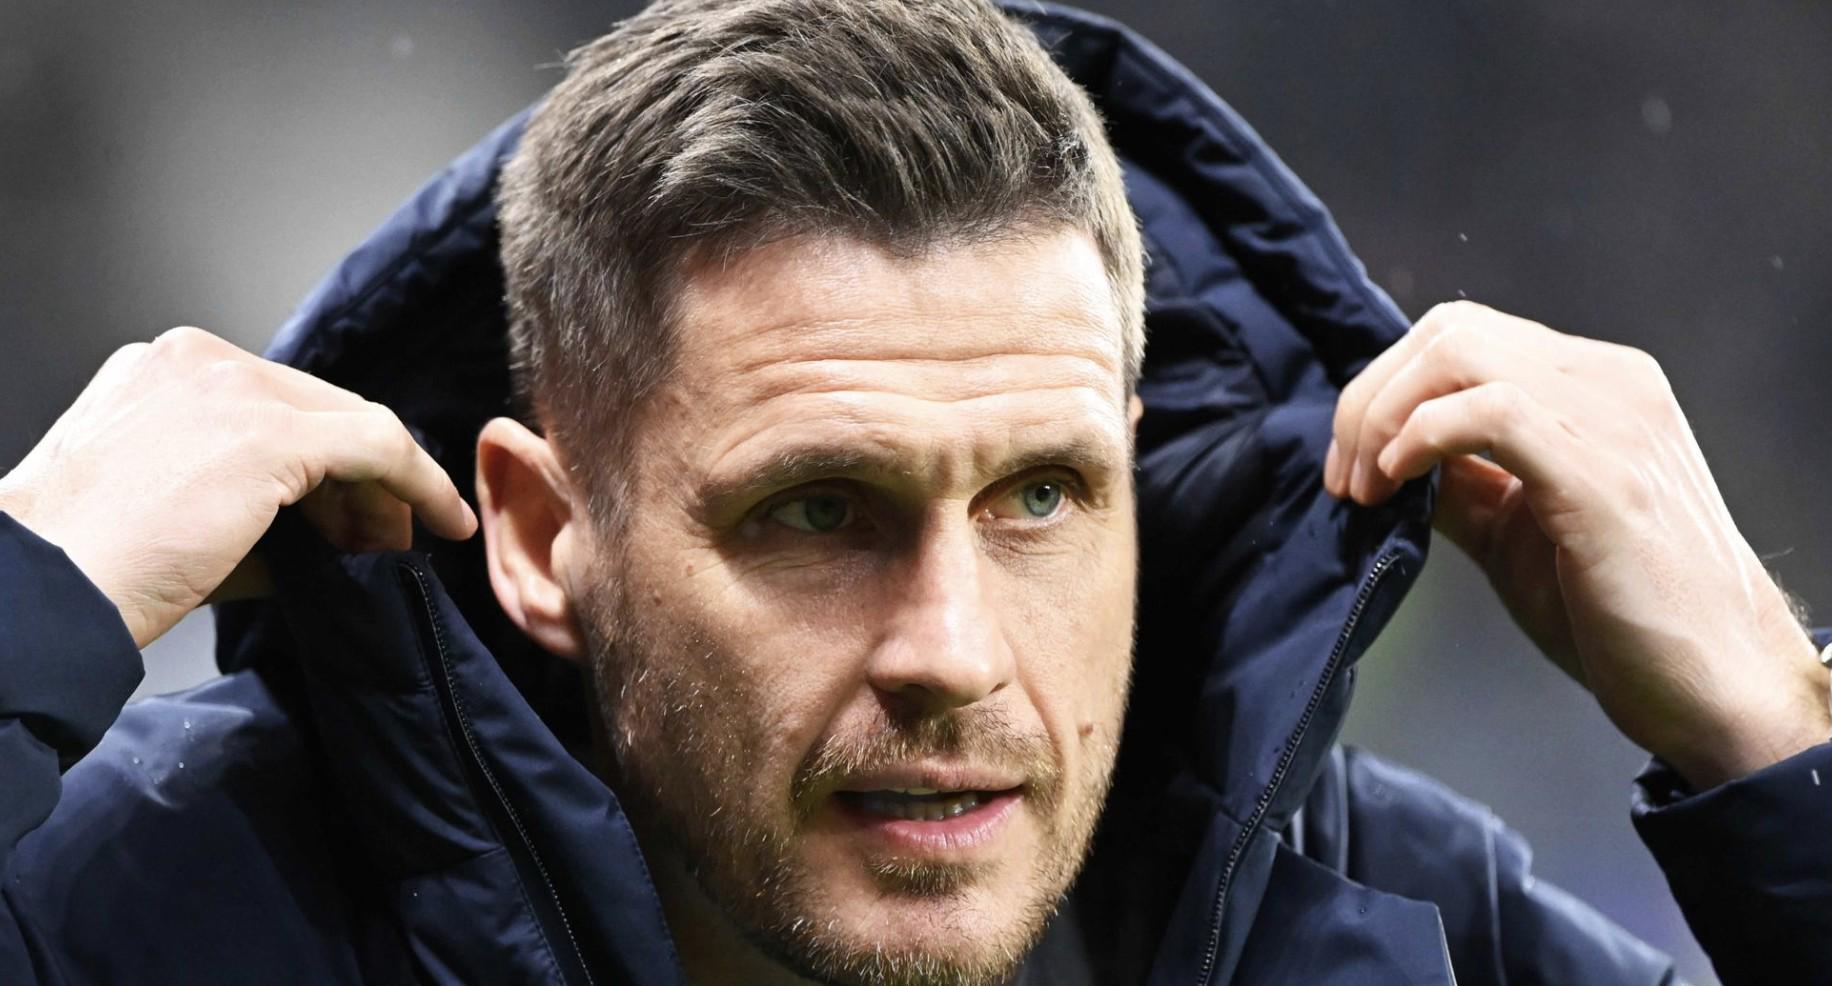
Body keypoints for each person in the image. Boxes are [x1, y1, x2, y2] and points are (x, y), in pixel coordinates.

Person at [1, 0, 1827, 983]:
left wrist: (1771, 740)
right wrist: (23, 603)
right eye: (818, 512)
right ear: (551, 538)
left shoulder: (1378, 911)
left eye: (1041, 495)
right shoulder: (156, 910)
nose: (952, 648)